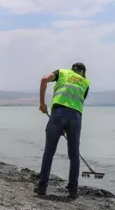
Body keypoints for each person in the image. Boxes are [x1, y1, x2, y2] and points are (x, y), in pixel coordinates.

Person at [35, 62, 91, 199]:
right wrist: (67, 125)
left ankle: (42, 187)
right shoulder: (85, 82)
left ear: (72, 69)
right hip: (76, 118)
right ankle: (73, 190)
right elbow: (77, 103)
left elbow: (44, 79)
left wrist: (42, 103)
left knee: (49, 152)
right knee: (74, 154)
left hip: (58, 114)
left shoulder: (62, 72)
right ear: (83, 72)